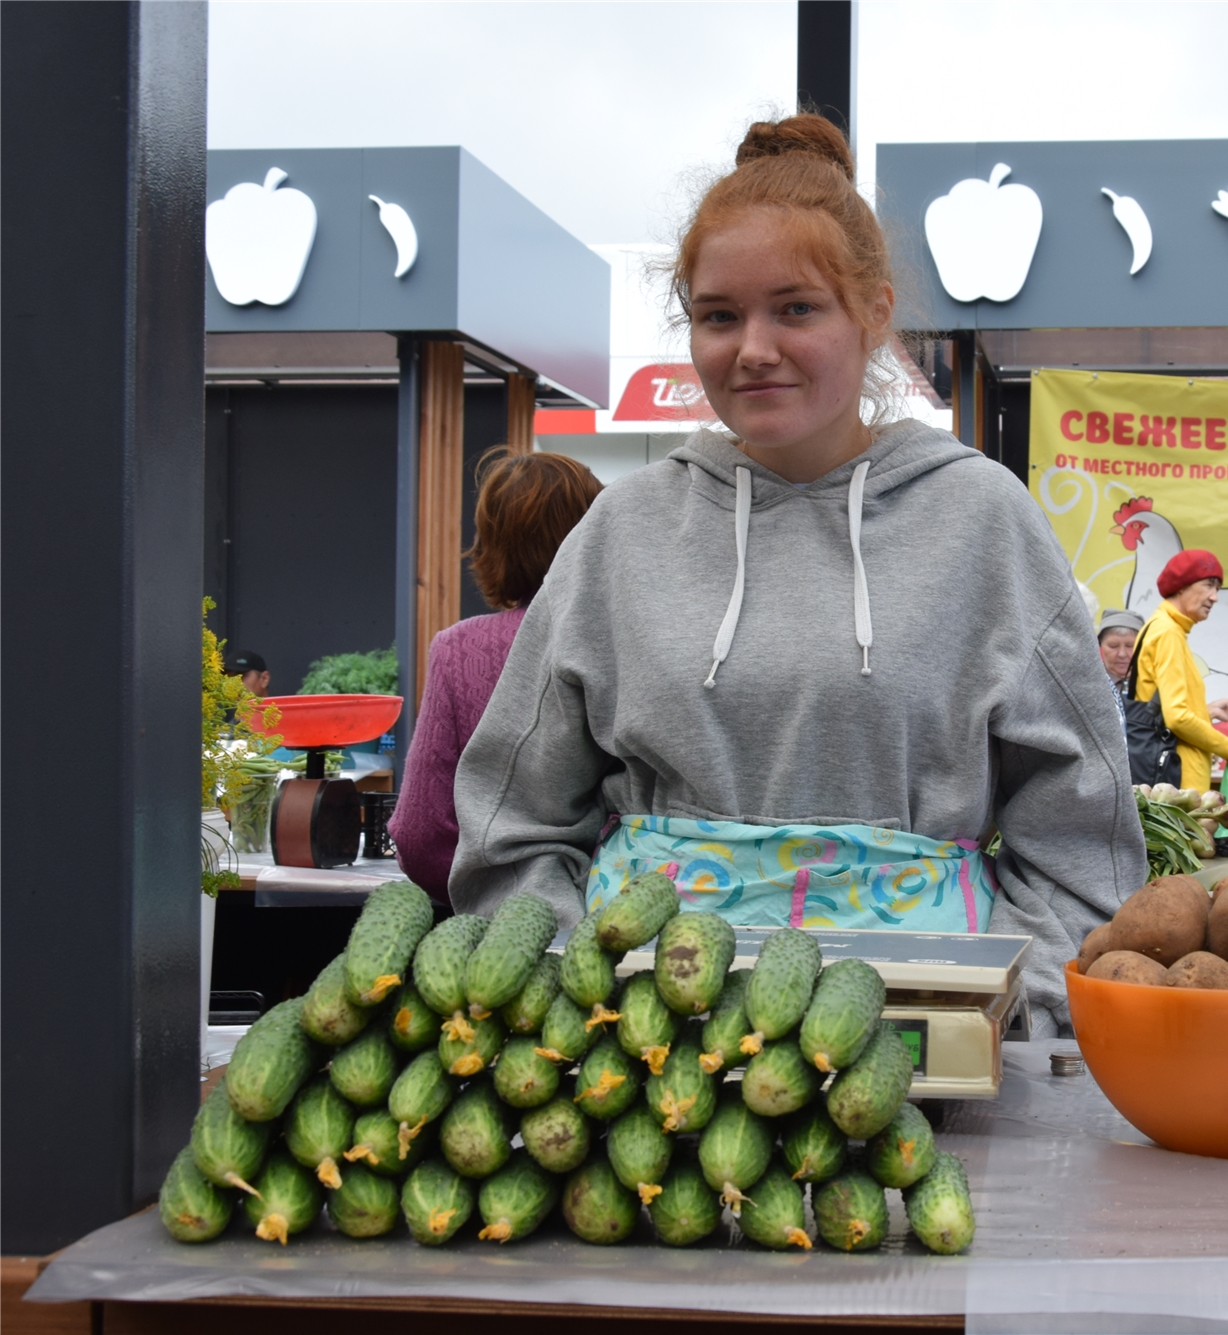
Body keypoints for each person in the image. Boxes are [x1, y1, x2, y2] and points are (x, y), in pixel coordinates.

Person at [449, 115, 1143, 1036]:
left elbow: (1081, 830)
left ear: (875, 312)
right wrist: (577, 1003)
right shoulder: (622, 530)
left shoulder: (984, 521)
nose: (754, 348)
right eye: (719, 315)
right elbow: (515, 824)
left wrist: (1019, 1007)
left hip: (925, 1044)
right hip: (650, 1058)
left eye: (797, 308)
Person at [389, 447, 603, 898]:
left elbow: (419, 831)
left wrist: (488, 892)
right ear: (596, 533)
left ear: (491, 542)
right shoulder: (629, 641)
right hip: (618, 913)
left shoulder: (460, 649)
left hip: (495, 930)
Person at [1131, 550, 1228, 792]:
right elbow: (1177, 717)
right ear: (1181, 586)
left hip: (1171, 781)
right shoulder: (1168, 633)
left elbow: (1162, 709)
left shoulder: (1159, 627)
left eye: (1218, 588)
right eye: (1209, 585)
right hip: (1178, 785)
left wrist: (1206, 711)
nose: (1215, 597)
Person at [1098, 609, 1144, 684]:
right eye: (1113, 646)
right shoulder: (1087, 683)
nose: (1122, 654)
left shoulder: (1158, 683)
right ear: (1100, 645)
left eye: (1130, 646)